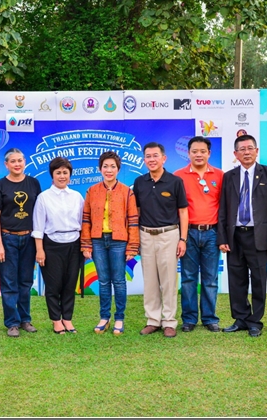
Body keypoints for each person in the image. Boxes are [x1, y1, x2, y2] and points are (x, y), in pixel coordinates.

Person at [217, 134, 267, 337]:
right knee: (236, 279)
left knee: (259, 279)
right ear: (235, 154)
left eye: (250, 148)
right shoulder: (229, 176)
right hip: (235, 236)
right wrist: (222, 238)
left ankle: (255, 321)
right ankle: (240, 318)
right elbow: (223, 209)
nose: (246, 152)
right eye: (242, 149)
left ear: (256, 151)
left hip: (259, 235)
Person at [133, 142, 188, 338]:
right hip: (146, 235)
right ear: (144, 160)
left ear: (164, 158)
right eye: (148, 156)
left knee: (169, 281)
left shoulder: (175, 181)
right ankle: (153, 320)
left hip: (169, 234)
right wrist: (136, 238)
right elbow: (137, 211)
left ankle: (169, 321)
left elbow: (183, 211)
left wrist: (183, 239)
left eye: (155, 155)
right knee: (150, 281)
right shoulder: (139, 182)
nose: (152, 159)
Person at [81, 151, 139, 336]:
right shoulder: (92, 191)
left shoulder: (127, 192)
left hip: (119, 242)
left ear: (118, 169)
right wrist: (86, 244)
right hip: (98, 241)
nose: (109, 170)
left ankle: (119, 318)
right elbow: (86, 219)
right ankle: (104, 317)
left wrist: (132, 246)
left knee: (119, 281)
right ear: (100, 169)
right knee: (104, 281)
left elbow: (133, 220)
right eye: (105, 166)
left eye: (112, 166)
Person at [173, 136, 224, 333]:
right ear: (188, 153)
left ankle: (210, 318)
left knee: (210, 279)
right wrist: (181, 237)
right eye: (194, 151)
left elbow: (224, 206)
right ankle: (189, 319)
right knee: (188, 278)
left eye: (203, 151)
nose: (198, 155)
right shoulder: (179, 176)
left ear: (209, 153)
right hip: (189, 233)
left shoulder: (219, 175)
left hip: (212, 233)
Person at [0, 148, 42, 338]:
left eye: (20, 160)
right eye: (13, 161)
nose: (17, 164)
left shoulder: (33, 183)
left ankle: (25, 320)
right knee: (9, 282)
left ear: (24, 162)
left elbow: (39, 212)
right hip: (8, 238)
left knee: (26, 281)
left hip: (29, 238)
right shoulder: (0, 185)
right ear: (6, 164)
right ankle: (12, 322)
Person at [32, 157, 84, 335]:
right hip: (51, 245)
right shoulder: (43, 197)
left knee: (70, 283)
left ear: (70, 175)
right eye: (58, 173)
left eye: (65, 173)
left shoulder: (77, 196)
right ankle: (56, 320)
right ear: (52, 175)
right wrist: (40, 250)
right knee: (53, 285)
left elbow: (83, 222)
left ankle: (67, 319)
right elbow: (38, 227)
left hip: (74, 244)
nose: (62, 176)